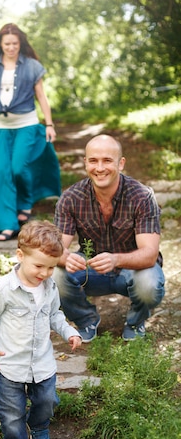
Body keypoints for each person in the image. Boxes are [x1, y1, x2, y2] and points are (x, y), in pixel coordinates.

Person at [0, 220, 82, 439]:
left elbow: (54, 314)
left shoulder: (49, 286)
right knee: (11, 412)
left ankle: (39, 425)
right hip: (10, 363)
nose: (44, 273)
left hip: (42, 362)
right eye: (38, 266)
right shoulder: (5, 289)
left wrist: (68, 331)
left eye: (50, 268)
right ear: (20, 256)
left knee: (47, 399)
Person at [53, 134, 165, 342]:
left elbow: (149, 255)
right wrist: (65, 258)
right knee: (55, 276)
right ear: (85, 163)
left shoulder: (141, 196)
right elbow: (55, 249)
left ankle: (135, 322)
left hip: (133, 270)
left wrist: (116, 259)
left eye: (107, 160)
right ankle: (86, 320)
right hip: (91, 268)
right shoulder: (71, 198)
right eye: (93, 160)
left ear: (121, 163)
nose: (100, 168)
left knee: (149, 284)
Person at [0, 23, 61, 241]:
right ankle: (8, 224)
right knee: (0, 172)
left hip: (26, 125)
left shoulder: (31, 66)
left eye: (15, 44)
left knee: (19, 168)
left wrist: (49, 123)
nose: (11, 47)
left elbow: (41, 96)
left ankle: (26, 201)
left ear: (20, 44)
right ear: (0, 45)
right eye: (7, 44)